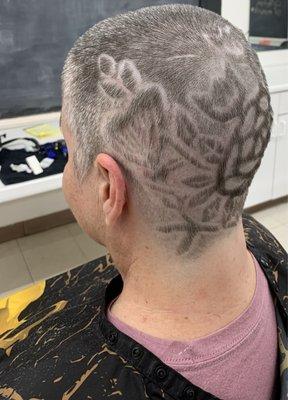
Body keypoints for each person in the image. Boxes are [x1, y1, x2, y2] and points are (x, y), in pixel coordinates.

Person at [0, 5, 287, 400]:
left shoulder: (28, 385)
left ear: (108, 188)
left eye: (69, 149)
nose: (68, 169)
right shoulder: (261, 241)